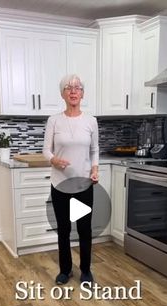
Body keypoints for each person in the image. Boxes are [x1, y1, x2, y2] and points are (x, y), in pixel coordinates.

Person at [43, 74, 99, 285]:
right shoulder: (54, 120)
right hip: (60, 185)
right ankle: (65, 270)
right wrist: (54, 160)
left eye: (77, 87)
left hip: (84, 184)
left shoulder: (91, 121)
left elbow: (95, 150)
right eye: (69, 88)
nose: (73, 91)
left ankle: (85, 270)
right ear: (62, 94)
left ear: (82, 93)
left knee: (84, 229)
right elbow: (45, 151)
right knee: (64, 229)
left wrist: (95, 169)